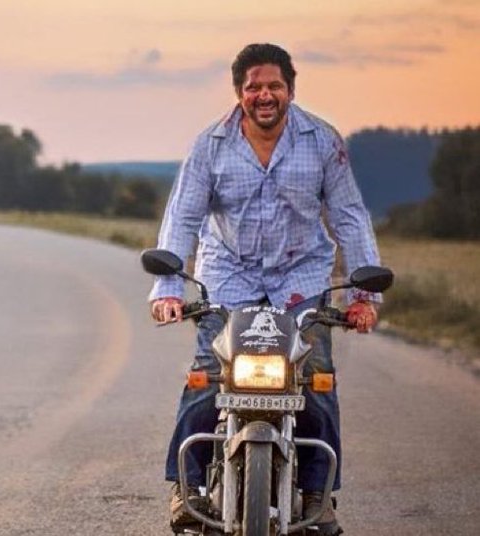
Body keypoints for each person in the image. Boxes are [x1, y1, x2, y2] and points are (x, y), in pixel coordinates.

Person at [149, 43, 381, 536]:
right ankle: (188, 489)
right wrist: (169, 289)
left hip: (301, 281)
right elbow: (183, 217)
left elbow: (349, 216)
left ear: (290, 90)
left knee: (316, 380)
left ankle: (318, 495)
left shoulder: (322, 141)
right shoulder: (210, 145)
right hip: (227, 279)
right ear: (239, 92)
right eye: (254, 86)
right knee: (207, 379)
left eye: (275, 85)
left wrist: (363, 297)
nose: (265, 95)